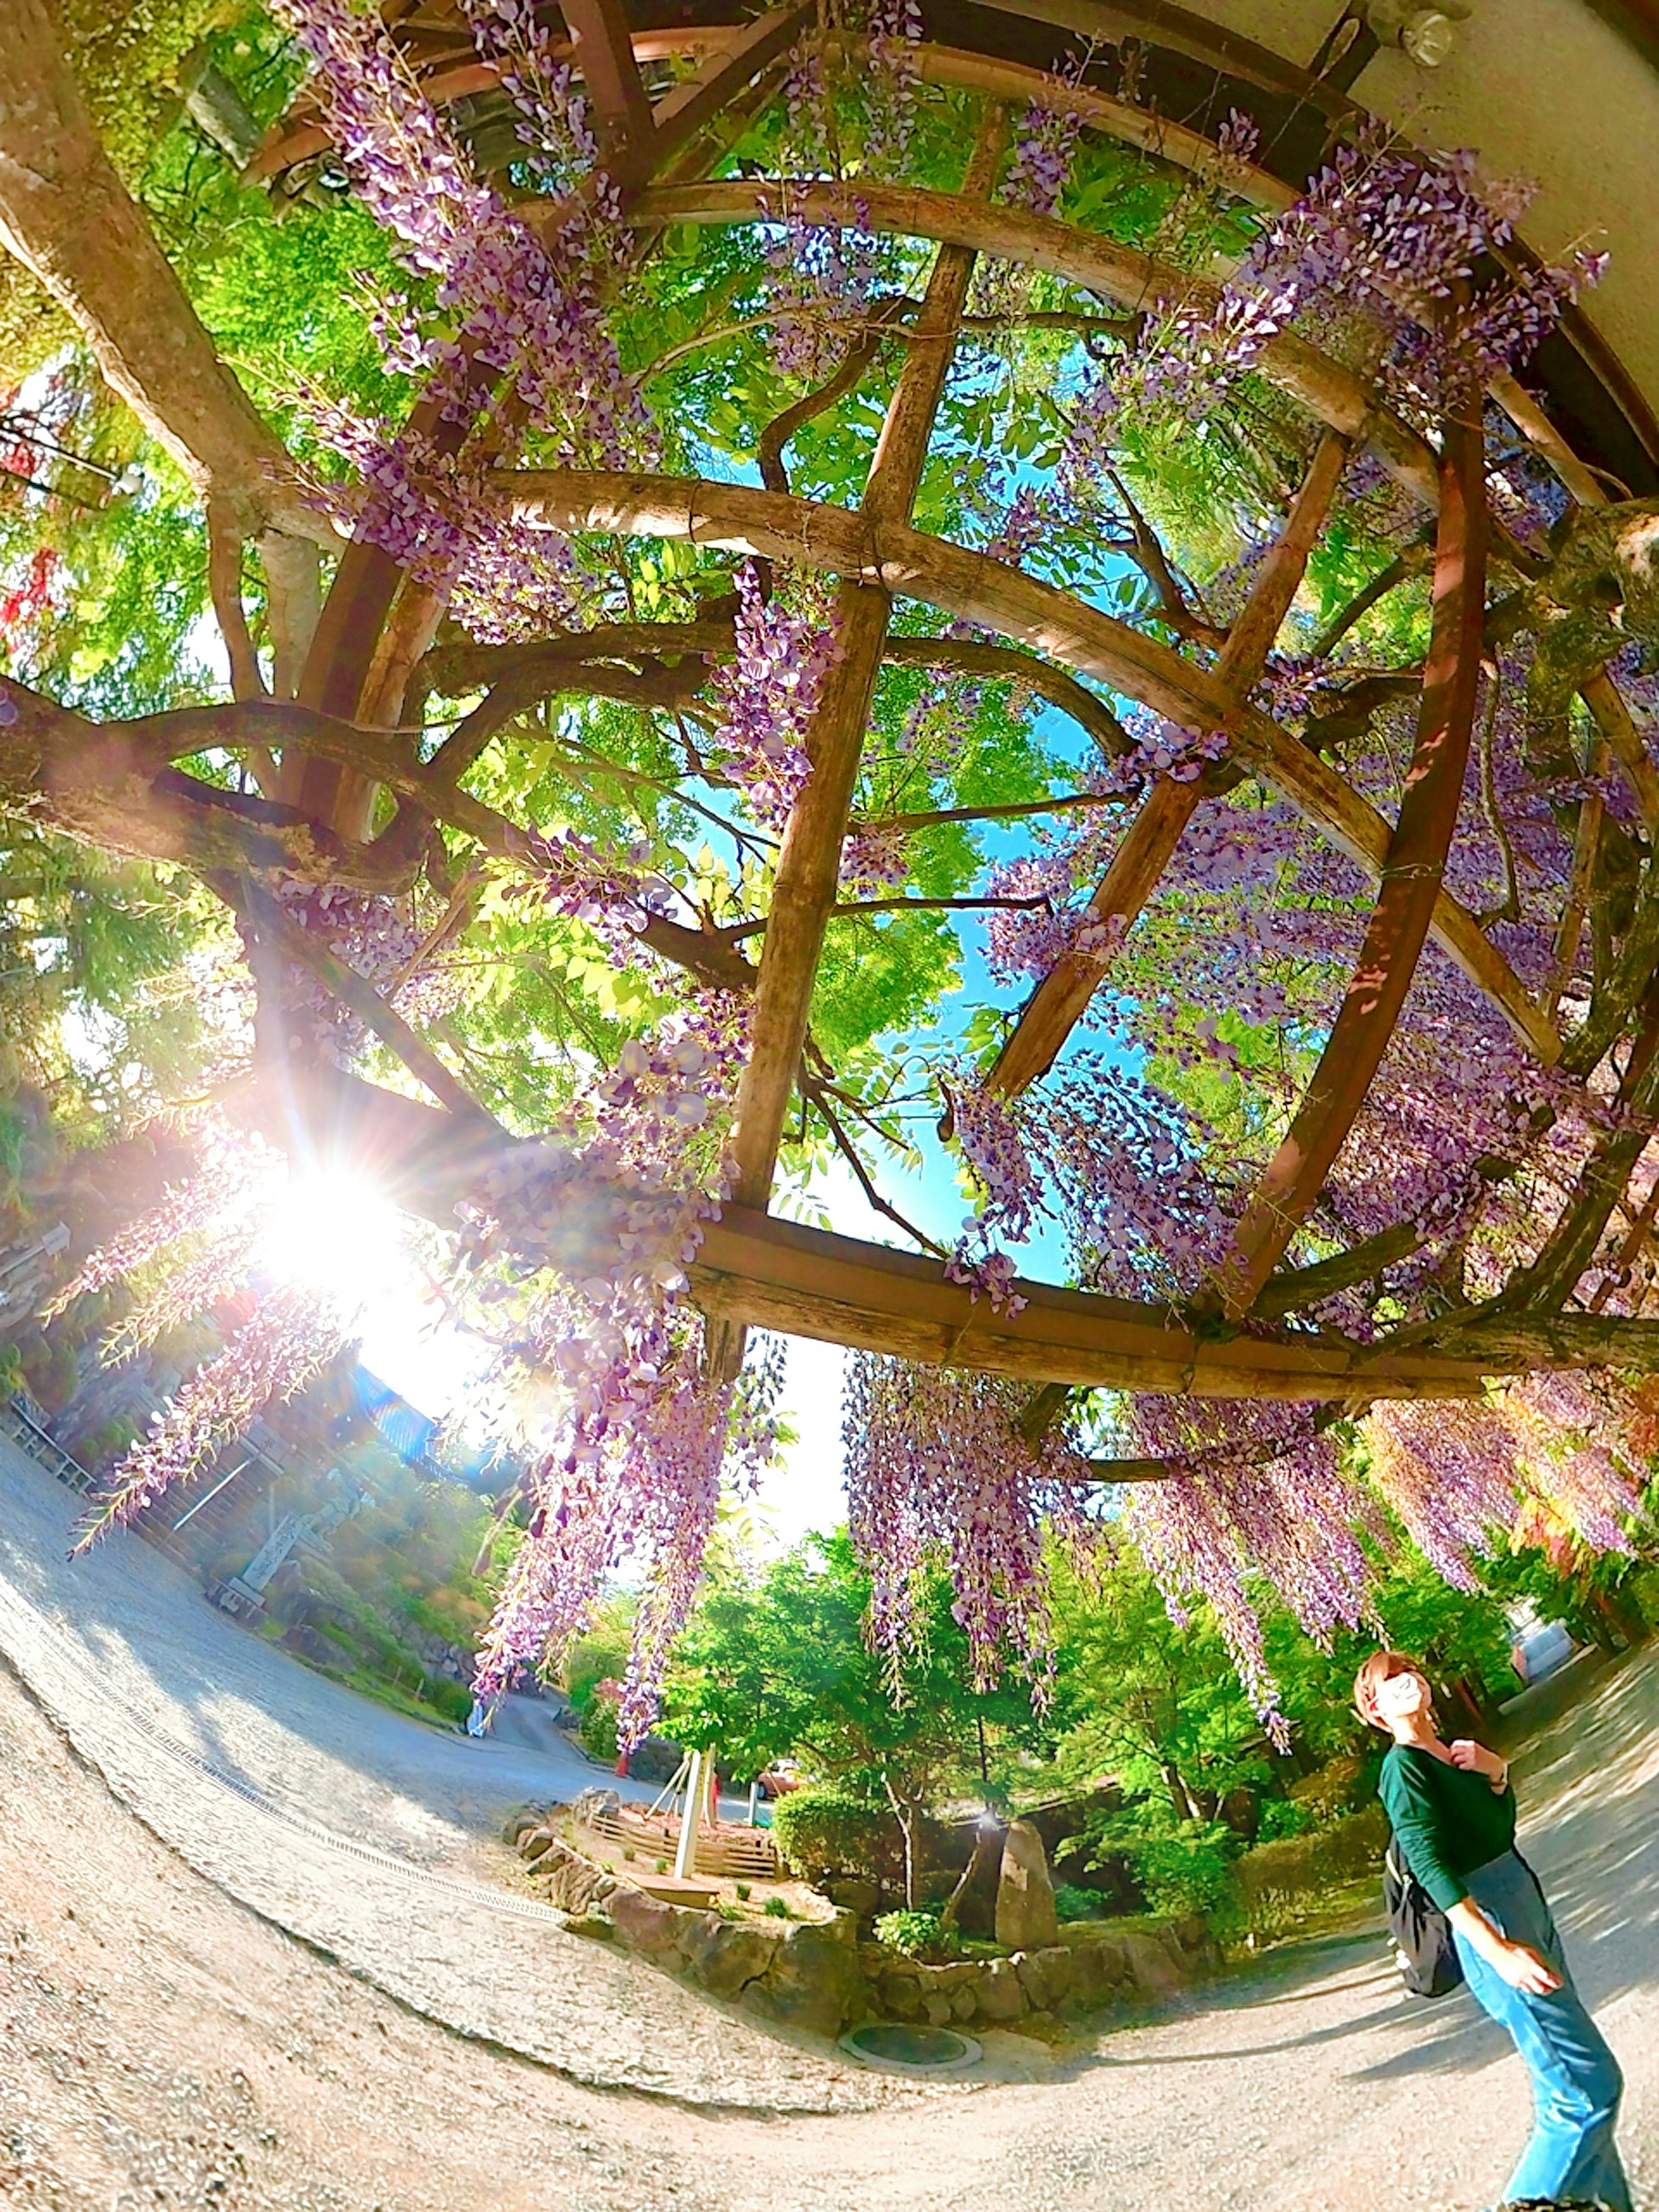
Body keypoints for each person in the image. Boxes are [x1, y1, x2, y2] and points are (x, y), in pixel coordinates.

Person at [1356, 1649, 1631, 2212]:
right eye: (1389, 1683)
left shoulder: (1450, 1752)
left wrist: (1497, 1773)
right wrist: (1498, 1949)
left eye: (1409, 1672)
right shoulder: (1403, 1769)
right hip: (1494, 1924)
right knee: (1586, 2094)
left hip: (1524, 1904)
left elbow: (1497, 1832)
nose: (1405, 1684)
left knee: (1572, 2085)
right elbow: (1431, 1867)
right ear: (1376, 1710)